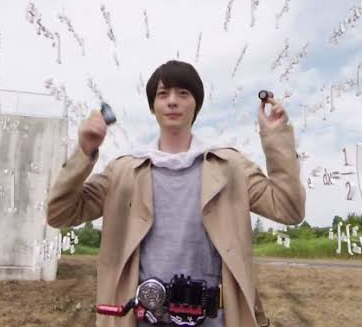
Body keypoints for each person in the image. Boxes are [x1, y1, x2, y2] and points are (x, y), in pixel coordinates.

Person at [47, 60, 306, 327]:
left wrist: (276, 138)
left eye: (183, 93)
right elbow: (59, 214)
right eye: (163, 94)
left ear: (196, 105)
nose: (172, 101)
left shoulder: (231, 168)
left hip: (216, 319)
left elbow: (288, 209)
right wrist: (84, 151)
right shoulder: (122, 172)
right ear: (152, 107)